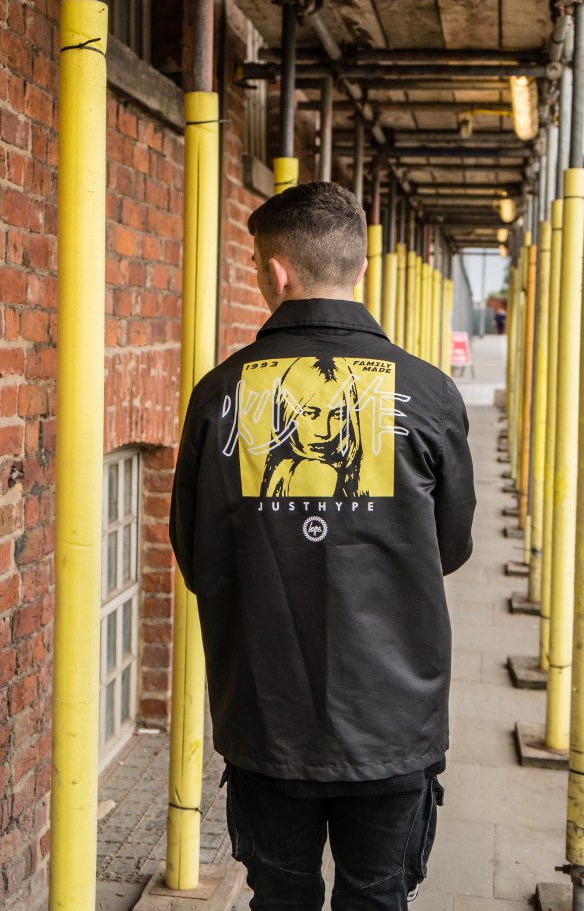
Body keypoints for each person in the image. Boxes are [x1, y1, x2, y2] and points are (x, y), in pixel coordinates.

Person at [169, 181, 476, 911]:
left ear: (275, 272)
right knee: (377, 895)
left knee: (280, 896)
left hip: (266, 711)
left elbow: (197, 555)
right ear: (360, 268)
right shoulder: (428, 393)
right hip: (393, 717)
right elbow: (450, 547)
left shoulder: (221, 394)